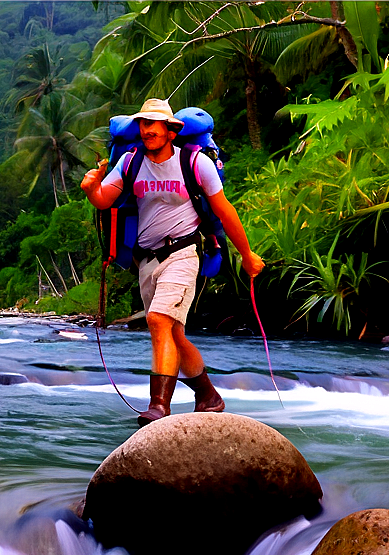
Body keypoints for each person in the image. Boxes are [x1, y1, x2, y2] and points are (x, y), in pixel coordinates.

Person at [81, 98, 265, 426]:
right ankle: (208, 395)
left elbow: (225, 211)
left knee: (157, 321)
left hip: (183, 251)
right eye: (143, 123)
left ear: (170, 130)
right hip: (147, 261)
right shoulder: (129, 163)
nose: (148, 130)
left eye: (155, 124)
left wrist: (247, 254)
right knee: (173, 333)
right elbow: (104, 200)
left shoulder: (194, 164)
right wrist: (92, 189)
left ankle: (159, 407)